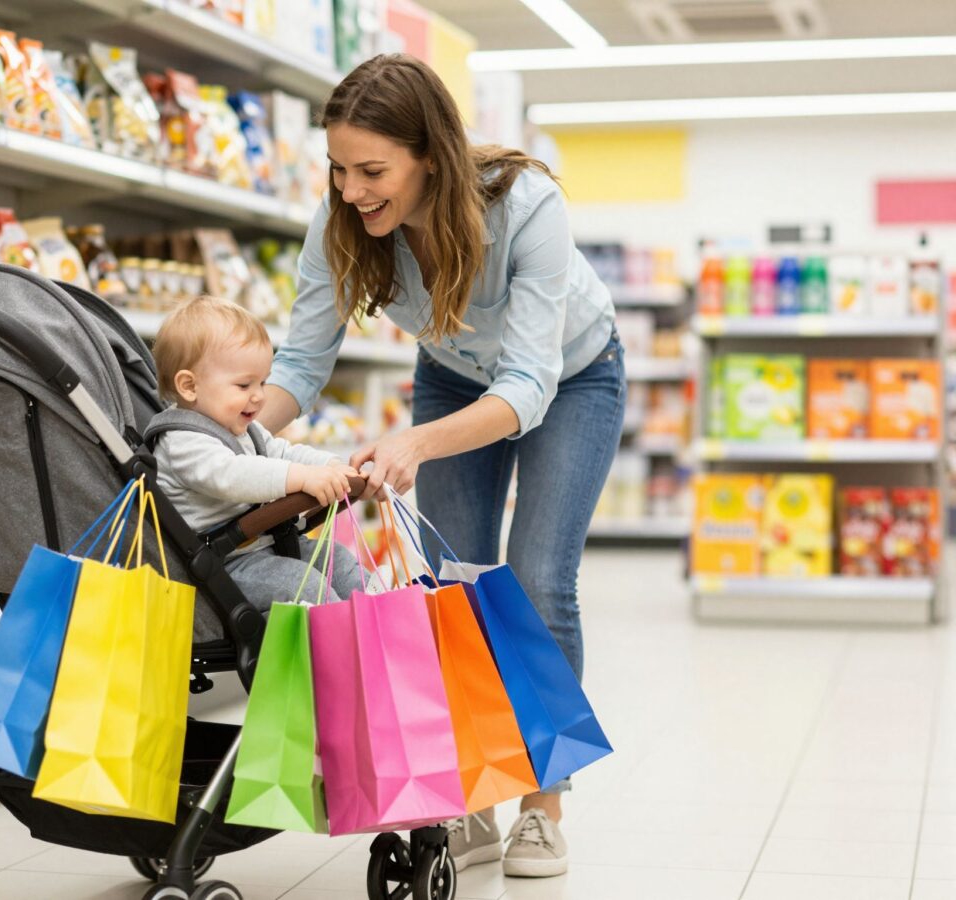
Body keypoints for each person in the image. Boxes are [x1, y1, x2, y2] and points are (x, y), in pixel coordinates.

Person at [258, 54, 624, 878]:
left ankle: (542, 803)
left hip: (572, 380)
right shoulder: (341, 220)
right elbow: (303, 363)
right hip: (454, 376)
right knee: (451, 589)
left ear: (431, 154)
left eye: (373, 171)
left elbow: (529, 387)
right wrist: (222, 432)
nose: (351, 191)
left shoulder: (526, 206)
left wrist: (416, 444)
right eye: (339, 169)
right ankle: (470, 796)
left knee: (535, 580)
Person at [148, 295, 365, 610]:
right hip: (224, 566)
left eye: (263, 382)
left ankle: (383, 622)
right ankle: (343, 646)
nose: (260, 396)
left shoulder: (242, 430)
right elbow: (232, 476)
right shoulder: (182, 442)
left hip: (267, 547)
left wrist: (333, 466)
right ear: (190, 387)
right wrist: (301, 478)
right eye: (244, 385)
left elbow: (281, 451)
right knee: (301, 583)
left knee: (338, 559)